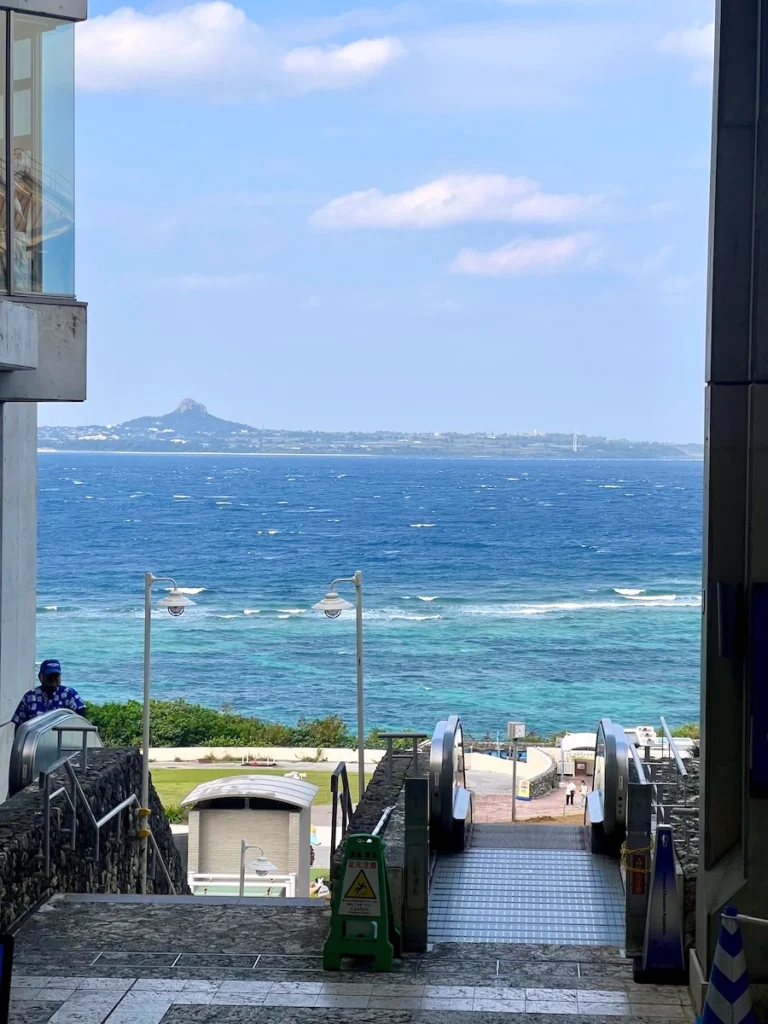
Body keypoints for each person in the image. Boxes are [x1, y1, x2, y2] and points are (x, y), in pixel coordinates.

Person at [12, 660, 86, 731]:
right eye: (50, 676)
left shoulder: (70, 694)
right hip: (35, 741)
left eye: (56, 675)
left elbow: (81, 720)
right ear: (40, 677)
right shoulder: (29, 697)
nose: (53, 679)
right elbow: (19, 726)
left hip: (63, 741)